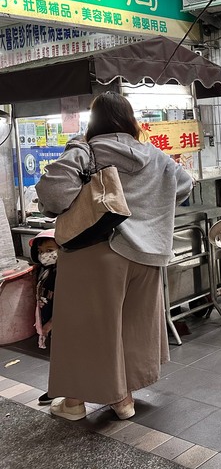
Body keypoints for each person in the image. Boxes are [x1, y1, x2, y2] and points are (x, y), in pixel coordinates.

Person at [36, 91, 193, 421]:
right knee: (132, 328)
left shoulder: (87, 149)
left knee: (84, 329)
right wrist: (148, 209)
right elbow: (184, 185)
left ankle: (75, 403)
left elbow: (53, 194)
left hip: (97, 251)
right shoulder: (155, 155)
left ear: (95, 122)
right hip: (147, 255)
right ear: (130, 120)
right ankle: (124, 400)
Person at [28, 229, 59, 406]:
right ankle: (59, 387)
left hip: (62, 323)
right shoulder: (45, 270)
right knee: (57, 356)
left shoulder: (65, 272)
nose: (44, 255)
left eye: (50, 250)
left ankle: (65, 389)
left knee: (64, 357)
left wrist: (50, 324)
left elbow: (66, 302)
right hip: (52, 323)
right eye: (40, 252)